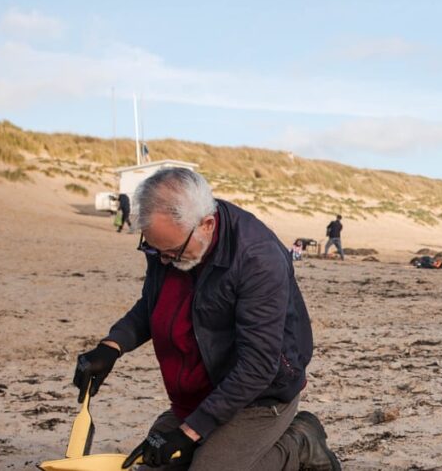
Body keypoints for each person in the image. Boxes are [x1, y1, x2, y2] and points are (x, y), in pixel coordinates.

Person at [72, 168, 339, 470]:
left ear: (207, 225)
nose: (164, 261)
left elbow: (258, 366)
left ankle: (299, 444)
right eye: (154, 250)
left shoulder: (257, 258)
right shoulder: (170, 241)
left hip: (262, 395)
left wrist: (189, 432)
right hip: (204, 387)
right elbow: (154, 303)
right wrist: (112, 346)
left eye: (172, 252)